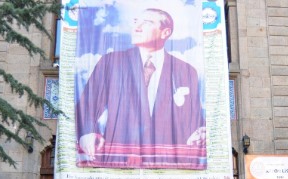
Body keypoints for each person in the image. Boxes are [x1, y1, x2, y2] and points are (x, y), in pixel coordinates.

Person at [76, 8, 205, 170]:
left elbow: (195, 119)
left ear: (165, 32)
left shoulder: (186, 71)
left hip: (167, 165)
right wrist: (87, 132)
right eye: (136, 21)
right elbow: (87, 105)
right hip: (119, 159)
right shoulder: (112, 62)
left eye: (148, 22)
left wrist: (200, 132)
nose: (137, 27)